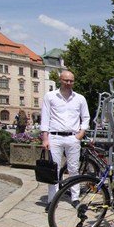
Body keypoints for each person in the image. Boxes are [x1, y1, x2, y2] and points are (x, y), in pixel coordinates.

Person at [40, 71, 90, 212]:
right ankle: (52, 199)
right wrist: (45, 137)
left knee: (73, 169)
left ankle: (75, 197)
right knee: (53, 170)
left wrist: (81, 133)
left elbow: (85, 117)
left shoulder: (79, 98)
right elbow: (45, 117)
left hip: (72, 137)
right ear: (60, 80)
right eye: (66, 80)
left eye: (71, 81)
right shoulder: (50, 97)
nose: (68, 83)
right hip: (55, 137)